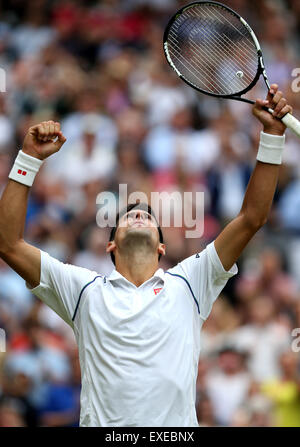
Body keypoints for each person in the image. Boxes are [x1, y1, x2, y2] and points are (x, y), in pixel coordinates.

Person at [0, 85, 292, 427]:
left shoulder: (189, 281)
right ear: (111, 245)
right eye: (128, 215)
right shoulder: (83, 289)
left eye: (148, 218)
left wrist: (272, 136)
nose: (139, 214)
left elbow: (251, 219)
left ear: (162, 248)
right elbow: (8, 244)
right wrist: (28, 159)